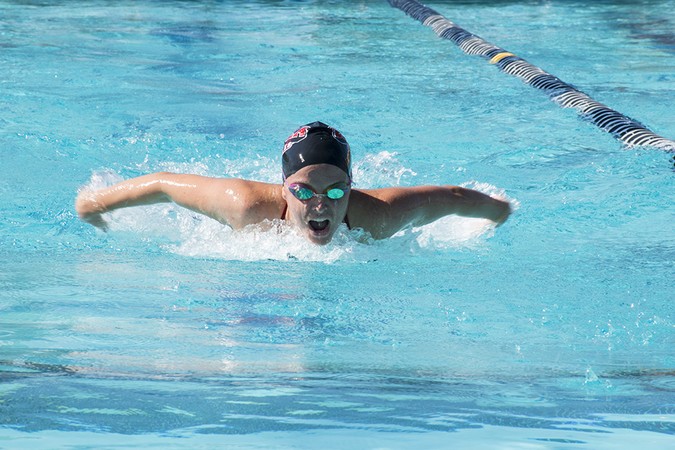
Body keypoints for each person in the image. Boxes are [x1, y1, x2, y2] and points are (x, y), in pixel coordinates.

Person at [75, 121, 511, 245]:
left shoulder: (377, 217)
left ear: (352, 185)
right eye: (304, 190)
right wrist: (95, 203)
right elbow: (165, 184)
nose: (320, 205)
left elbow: (452, 198)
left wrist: (498, 212)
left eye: (336, 190)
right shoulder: (245, 205)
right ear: (283, 187)